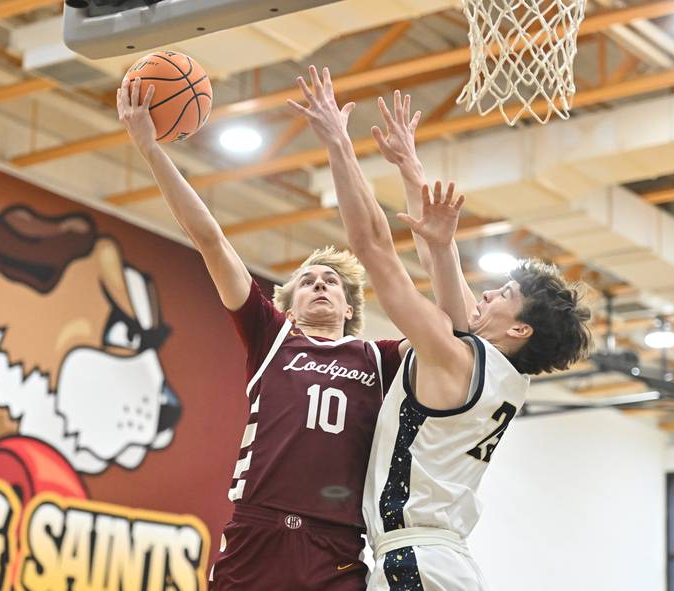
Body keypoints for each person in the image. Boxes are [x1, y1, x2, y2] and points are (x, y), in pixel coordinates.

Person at [289, 66, 592, 590]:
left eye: (504, 295)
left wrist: (339, 144)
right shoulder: (498, 373)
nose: (488, 295)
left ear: (520, 330)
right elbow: (439, 260)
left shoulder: (455, 357)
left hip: (416, 562)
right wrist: (410, 169)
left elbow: (373, 248)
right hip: (441, 562)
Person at [117, 77, 406, 591]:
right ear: (287, 306)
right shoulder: (272, 338)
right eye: (307, 282)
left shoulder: (378, 359)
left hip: (335, 547)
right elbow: (210, 238)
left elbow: (446, 330)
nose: (320, 284)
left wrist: (358, 153)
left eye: (332, 282)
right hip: (257, 533)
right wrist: (149, 149)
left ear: (350, 307)